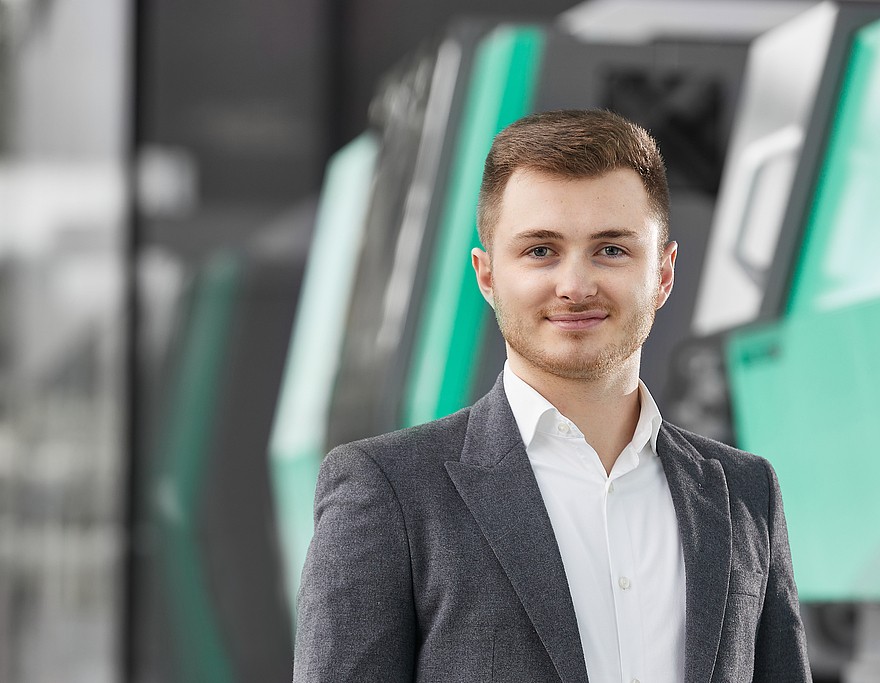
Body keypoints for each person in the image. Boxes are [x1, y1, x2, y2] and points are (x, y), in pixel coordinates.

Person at [293, 109, 811, 683]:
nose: (575, 286)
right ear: (487, 276)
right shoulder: (389, 491)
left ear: (663, 274)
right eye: (540, 250)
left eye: (611, 249)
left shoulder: (745, 493)